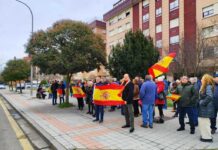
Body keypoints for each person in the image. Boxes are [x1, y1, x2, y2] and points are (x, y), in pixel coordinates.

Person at [198, 74, 215, 142]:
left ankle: (207, 138)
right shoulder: (205, 86)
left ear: (206, 80)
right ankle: (205, 135)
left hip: (205, 109)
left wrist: (202, 103)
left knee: (205, 123)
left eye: (202, 78)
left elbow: (210, 96)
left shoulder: (208, 86)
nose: (201, 80)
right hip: (205, 108)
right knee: (203, 122)